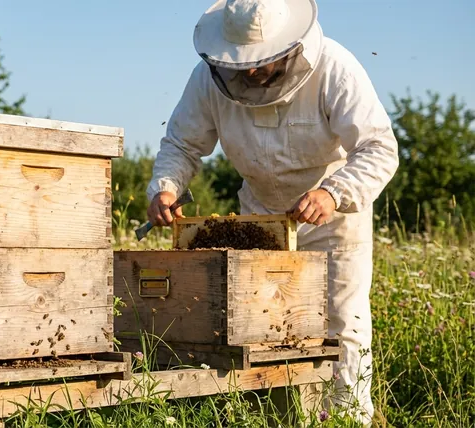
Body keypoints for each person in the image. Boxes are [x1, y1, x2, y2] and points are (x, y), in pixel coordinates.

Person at [145, 0, 399, 424]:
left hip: (332, 219)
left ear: (288, 46)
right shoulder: (209, 80)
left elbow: (378, 148)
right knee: (262, 324)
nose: (247, 74)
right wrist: (166, 188)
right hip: (260, 216)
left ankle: (346, 417)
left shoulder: (334, 67)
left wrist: (334, 192)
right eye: (239, 65)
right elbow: (182, 143)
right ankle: (276, 417)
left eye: (258, 63)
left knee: (342, 322)